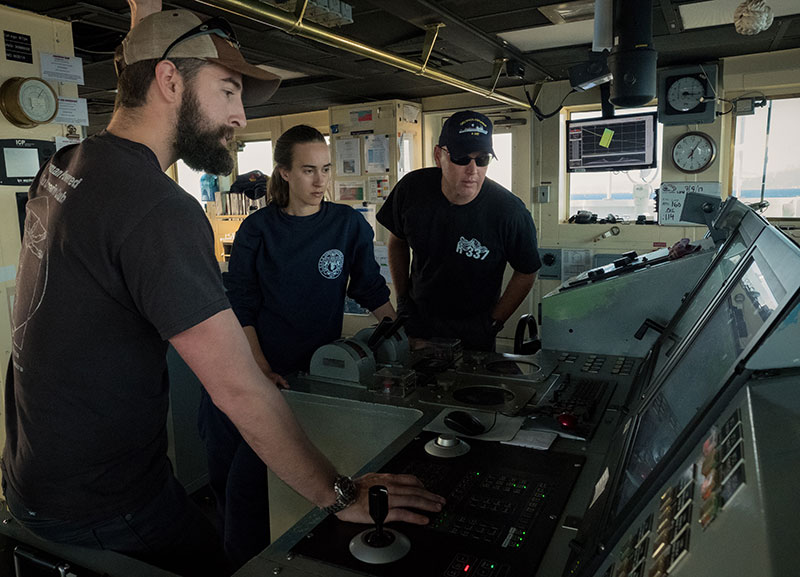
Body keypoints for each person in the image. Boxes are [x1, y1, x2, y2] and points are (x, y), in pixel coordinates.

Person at [2, 10, 443, 577]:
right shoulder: (158, 207)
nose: (240, 114)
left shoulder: (66, 165)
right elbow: (238, 387)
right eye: (229, 90)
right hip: (104, 500)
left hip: (33, 477)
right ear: (168, 81)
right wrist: (341, 494)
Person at [199, 123, 396, 569]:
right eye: (309, 170)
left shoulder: (346, 225)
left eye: (325, 169)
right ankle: (240, 565)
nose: (321, 181)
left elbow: (369, 286)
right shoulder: (258, 230)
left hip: (311, 379)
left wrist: (399, 333)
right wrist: (261, 370)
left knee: (292, 488)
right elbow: (242, 306)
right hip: (252, 376)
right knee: (236, 490)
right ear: (284, 173)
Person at [377, 110, 541, 352]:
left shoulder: (509, 212)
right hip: (419, 322)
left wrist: (493, 322)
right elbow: (397, 241)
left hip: (474, 331)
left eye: (482, 159)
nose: (472, 169)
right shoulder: (411, 191)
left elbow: (527, 271)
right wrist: (402, 300)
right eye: (462, 158)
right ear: (439, 155)